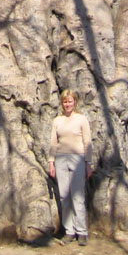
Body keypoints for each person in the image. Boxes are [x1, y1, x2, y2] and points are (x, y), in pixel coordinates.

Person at [48, 89, 93, 246]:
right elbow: (54, 143)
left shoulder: (81, 119)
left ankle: (82, 232)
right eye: (65, 102)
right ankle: (69, 231)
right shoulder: (57, 121)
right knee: (64, 197)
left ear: (74, 102)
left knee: (78, 196)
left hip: (78, 159)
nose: (67, 104)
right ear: (62, 103)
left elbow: (87, 142)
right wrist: (51, 162)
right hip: (60, 159)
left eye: (70, 101)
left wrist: (88, 163)